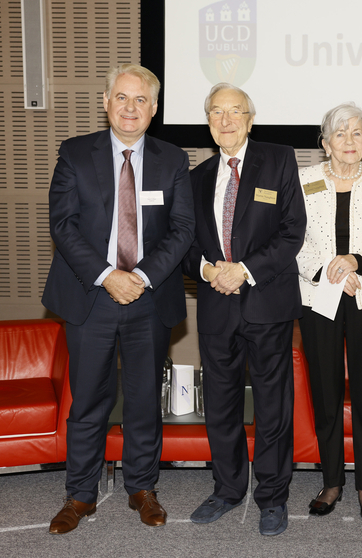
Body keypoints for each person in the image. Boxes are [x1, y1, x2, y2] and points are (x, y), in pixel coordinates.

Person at [42, 63, 195, 534]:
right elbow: (63, 225)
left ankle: (142, 488)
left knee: (145, 399)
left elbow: (183, 229)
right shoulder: (74, 153)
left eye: (141, 100)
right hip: (91, 296)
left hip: (148, 297)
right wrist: (109, 275)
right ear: (106, 102)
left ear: (154, 109)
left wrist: (142, 276)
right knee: (88, 400)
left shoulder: (173, 159)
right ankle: (80, 495)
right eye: (122, 98)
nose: (131, 108)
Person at [182, 83, 306, 537]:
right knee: (221, 404)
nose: (226, 120)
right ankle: (228, 488)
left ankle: (272, 496)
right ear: (209, 121)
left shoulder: (278, 159)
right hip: (216, 306)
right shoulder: (195, 177)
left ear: (250, 120)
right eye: (217, 112)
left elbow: (293, 232)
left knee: (273, 407)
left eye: (236, 112)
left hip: (266, 302)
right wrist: (209, 269)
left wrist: (244, 270)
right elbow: (185, 242)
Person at [296, 103, 362, 523]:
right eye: (341, 134)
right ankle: (333, 481)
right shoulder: (303, 180)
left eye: (358, 133)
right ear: (325, 143)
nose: (350, 141)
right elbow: (294, 240)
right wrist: (329, 270)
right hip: (318, 295)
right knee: (324, 394)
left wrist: (355, 261)